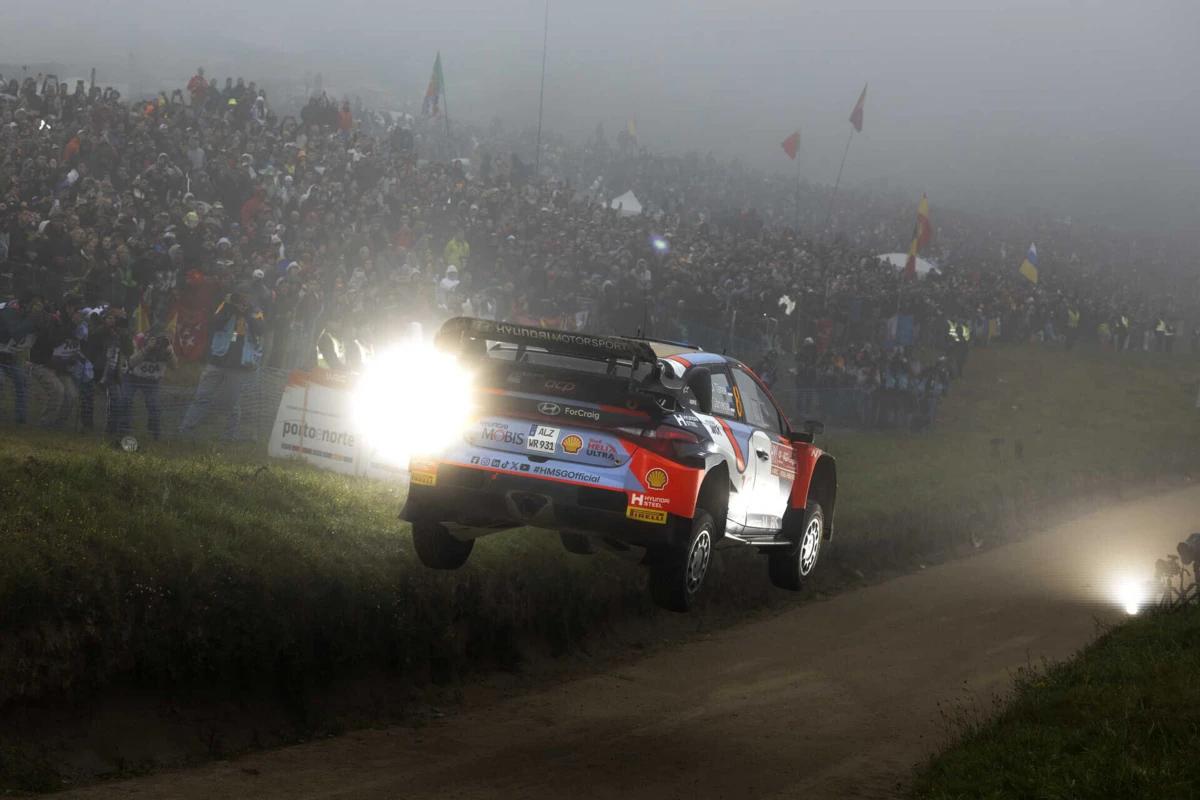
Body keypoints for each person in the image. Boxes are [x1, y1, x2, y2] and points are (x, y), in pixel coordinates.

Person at [177, 284, 264, 439]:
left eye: (246, 295)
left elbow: (260, 330)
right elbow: (213, 323)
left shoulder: (256, 311)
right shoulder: (227, 305)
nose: (243, 297)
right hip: (217, 359)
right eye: (240, 294)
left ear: (251, 297)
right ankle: (184, 430)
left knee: (232, 402)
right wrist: (229, 307)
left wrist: (247, 312)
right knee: (201, 397)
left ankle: (228, 436)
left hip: (238, 364)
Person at [28, 293, 86, 429]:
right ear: (69, 308)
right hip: (42, 364)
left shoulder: (79, 325)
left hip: (61, 368)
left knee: (72, 395)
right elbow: (52, 341)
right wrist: (72, 324)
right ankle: (46, 424)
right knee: (58, 390)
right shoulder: (52, 320)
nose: (80, 313)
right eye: (77, 309)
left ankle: (59, 424)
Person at [119, 323, 177, 439]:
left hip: (151, 380)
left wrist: (170, 354)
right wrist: (146, 349)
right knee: (125, 400)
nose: (161, 340)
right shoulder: (139, 339)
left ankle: (154, 433)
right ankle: (124, 430)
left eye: (163, 337)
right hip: (132, 376)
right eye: (158, 337)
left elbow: (174, 367)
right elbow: (131, 361)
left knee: (154, 405)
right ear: (150, 335)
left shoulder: (167, 343)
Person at [0, 290, 42, 426]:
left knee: (22, 381)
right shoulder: (8, 311)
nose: (38, 308)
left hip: (10, 353)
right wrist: (32, 317)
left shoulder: (29, 314)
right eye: (35, 304)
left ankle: (20, 419)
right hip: (3, 351)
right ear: (25, 304)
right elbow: (16, 332)